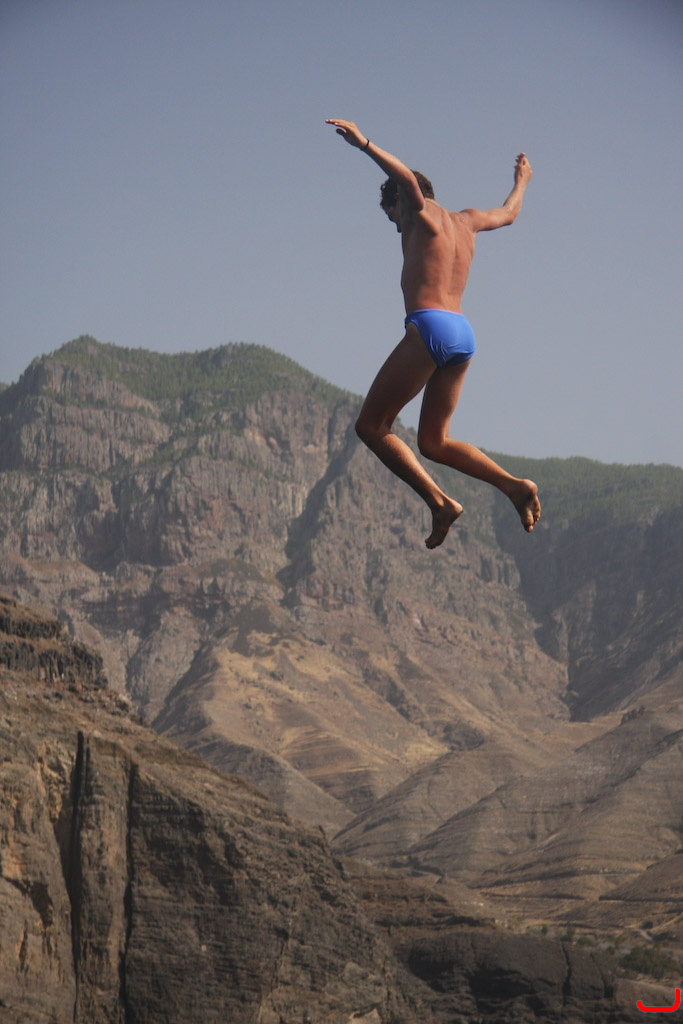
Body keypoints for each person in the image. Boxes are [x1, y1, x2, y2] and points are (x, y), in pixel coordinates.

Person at [325, 118, 541, 549]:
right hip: (462, 334)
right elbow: (509, 213)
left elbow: (405, 180)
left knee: (371, 427)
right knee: (434, 442)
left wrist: (364, 143)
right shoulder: (468, 221)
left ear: (402, 201)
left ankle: (441, 503)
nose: (397, 227)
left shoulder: (420, 212)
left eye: (393, 217)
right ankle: (514, 486)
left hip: (430, 327)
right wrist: (522, 180)